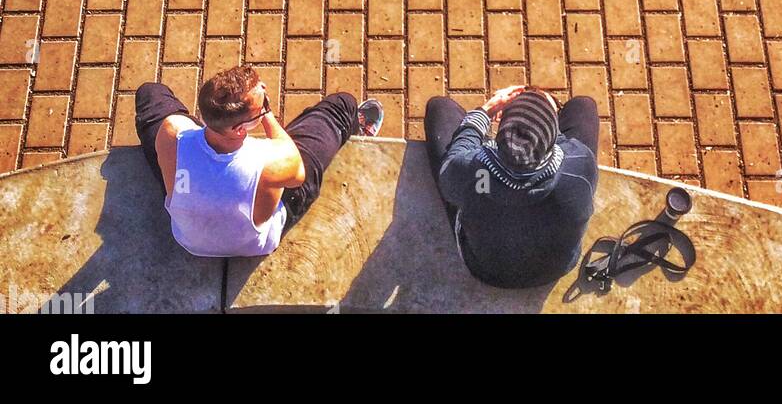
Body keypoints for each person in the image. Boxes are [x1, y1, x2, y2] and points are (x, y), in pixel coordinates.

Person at [135, 64, 384, 257]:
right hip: (256, 243)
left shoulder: (171, 133)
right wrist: (267, 116)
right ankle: (351, 122)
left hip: (189, 240)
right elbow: (296, 170)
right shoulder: (267, 160)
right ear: (240, 130)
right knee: (342, 105)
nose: (265, 89)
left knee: (150, 93)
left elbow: (180, 128)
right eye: (263, 101)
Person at [424, 85, 599, 289]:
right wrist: (546, 108)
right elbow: (563, 145)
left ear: (500, 131)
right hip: (554, 269)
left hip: (486, 270)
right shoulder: (579, 164)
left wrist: (485, 111)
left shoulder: (473, 171)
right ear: (552, 137)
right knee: (584, 106)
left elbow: (451, 169)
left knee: (439, 107)